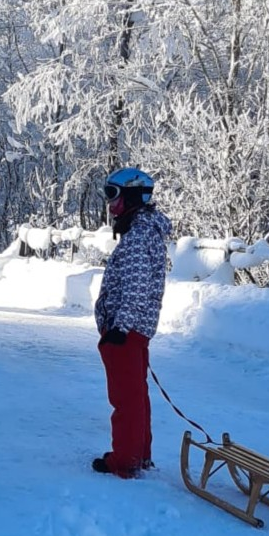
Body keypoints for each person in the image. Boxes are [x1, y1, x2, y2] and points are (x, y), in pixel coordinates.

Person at [92, 167, 172, 478]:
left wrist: (119, 328)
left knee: (125, 398)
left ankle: (124, 461)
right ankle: (139, 454)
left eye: (113, 195)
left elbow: (136, 288)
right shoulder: (143, 231)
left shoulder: (138, 237)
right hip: (134, 329)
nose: (110, 204)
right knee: (136, 395)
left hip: (127, 331)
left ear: (132, 196)